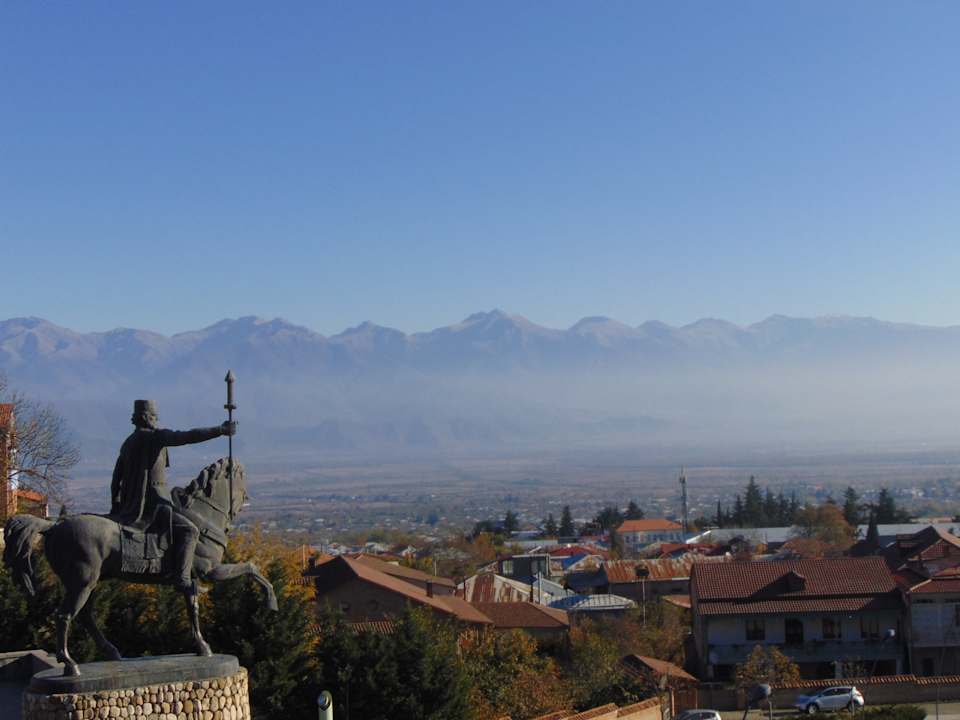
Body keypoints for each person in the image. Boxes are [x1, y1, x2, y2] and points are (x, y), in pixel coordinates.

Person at [111, 399, 236, 593]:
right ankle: (183, 579)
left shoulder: (128, 443)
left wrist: (116, 505)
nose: (156, 420)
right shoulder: (154, 437)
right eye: (153, 416)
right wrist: (219, 430)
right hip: (155, 503)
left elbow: (115, 479)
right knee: (190, 530)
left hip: (131, 505)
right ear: (144, 418)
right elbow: (187, 436)